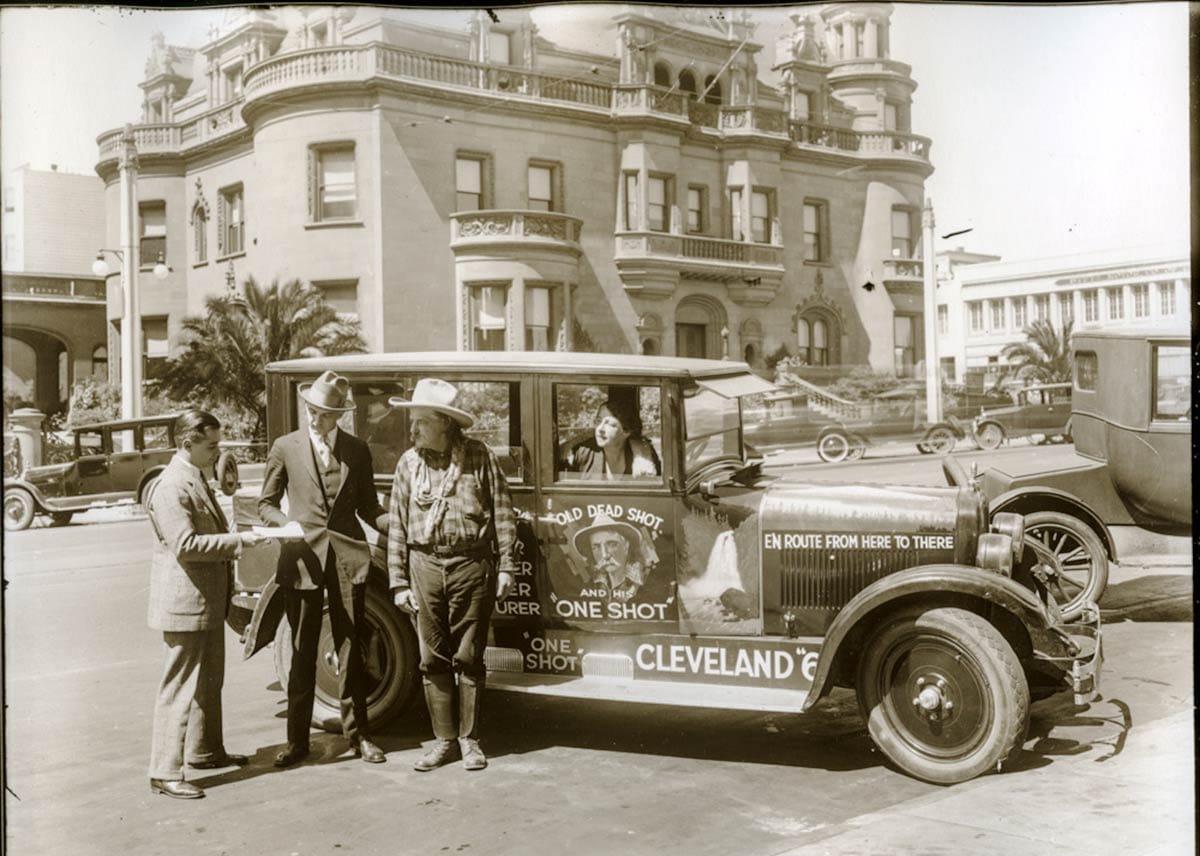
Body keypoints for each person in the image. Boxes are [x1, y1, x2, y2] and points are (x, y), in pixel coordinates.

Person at [258, 370, 390, 768]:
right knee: (302, 651)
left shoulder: (357, 450)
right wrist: (285, 525)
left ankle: (359, 736)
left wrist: (397, 523)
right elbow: (265, 504)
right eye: (313, 412)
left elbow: (369, 507)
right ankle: (297, 742)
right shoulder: (285, 447)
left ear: (340, 416)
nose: (317, 420)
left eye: (327, 414)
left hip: (348, 560)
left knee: (351, 648)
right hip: (301, 561)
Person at [386, 378, 516, 772]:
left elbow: (503, 513)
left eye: (421, 421)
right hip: (424, 566)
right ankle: (444, 742)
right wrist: (398, 581)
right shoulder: (409, 463)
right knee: (433, 657)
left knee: (469, 656)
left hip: (471, 566)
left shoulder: (479, 456)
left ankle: (470, 741)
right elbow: (397, 525)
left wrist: (507, 566)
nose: (413, 430)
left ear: (444, 422)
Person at [146, 410, 266, 799]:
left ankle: (205, 750)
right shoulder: (170, 486)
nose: (218, 452)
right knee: (180, 686)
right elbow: (185, 545)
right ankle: (164, 771)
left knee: (210, 681)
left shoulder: (194, 478)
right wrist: (239, 543)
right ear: (187, 444)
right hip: (185, 601)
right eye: (211, 445)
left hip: (205, 598)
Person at [559, 396, 661, 479]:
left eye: (610, 424)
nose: (600, 428)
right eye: (598, 421)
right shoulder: (581, 453)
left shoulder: (645, 458)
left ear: (626, 431)